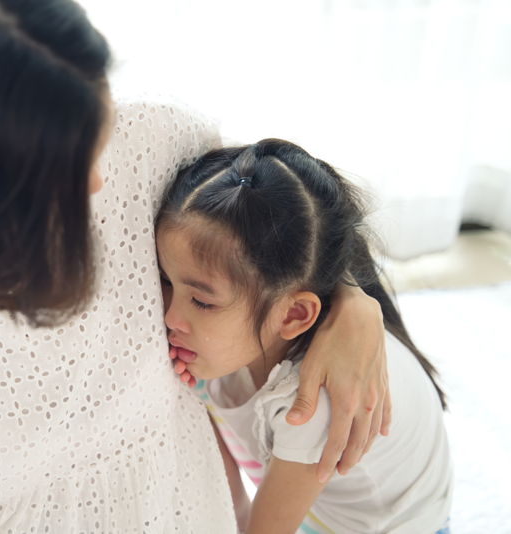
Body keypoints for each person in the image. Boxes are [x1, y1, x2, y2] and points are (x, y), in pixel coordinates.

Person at [0, 1, 390, 532]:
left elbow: (279, 229)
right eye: (61, 172)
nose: (98, 179)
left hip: (184, 499)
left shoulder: (154, 140)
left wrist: (349, 301)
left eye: (100, 125)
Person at [157, 138, 453, 533]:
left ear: (295, 314)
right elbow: (230, 506)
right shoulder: (218, 345)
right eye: (164, 280)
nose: (169, 316)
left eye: (203, 302)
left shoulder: (311, 402)